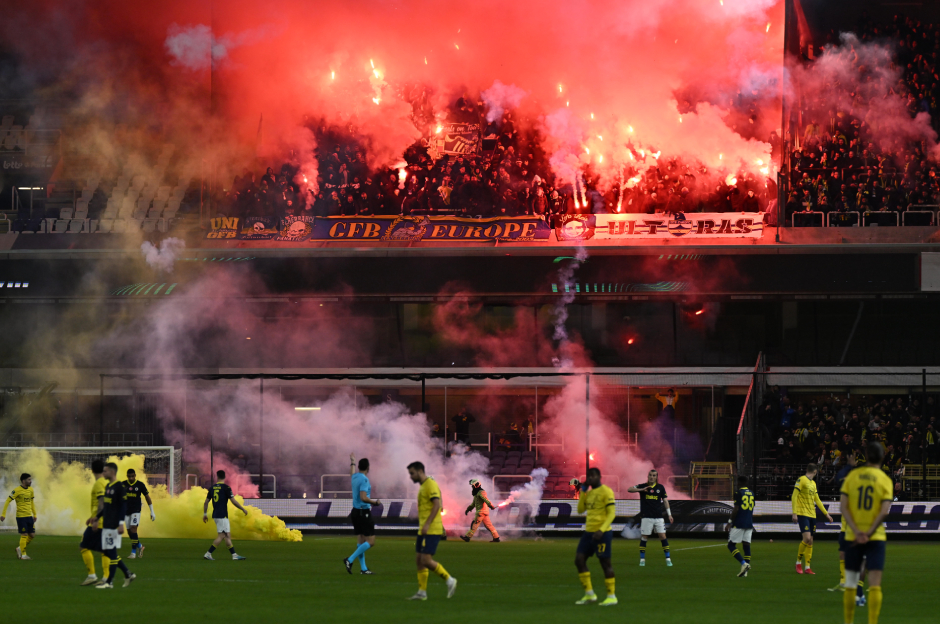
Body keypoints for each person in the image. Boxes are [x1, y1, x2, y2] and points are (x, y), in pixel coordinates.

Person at [841, 441, 893, 624]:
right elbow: (884, 510)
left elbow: (843, 507)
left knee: (850, 584)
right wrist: (869, 533)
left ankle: (849, 622)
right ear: (882, 457)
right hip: (875, 536)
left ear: (866, 455)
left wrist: (857, 531)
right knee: (875, 585)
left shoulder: (853, 476)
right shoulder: (885, 480)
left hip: (852, 536)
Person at [407, 461, 457, 600]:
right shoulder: (424, 486)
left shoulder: (430, 484)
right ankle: (422, 592)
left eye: (412, 473)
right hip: (423, 529)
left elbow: (437, 504)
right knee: (419, 560)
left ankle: (449, 580)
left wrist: (428, 524)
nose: (410, 477)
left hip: (431, 529)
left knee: (426, 560)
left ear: (420, 471)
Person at [86, 462, 135, 589]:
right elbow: (107, 506)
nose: (103, 473)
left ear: (112, 472)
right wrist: (97, 517)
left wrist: (120, 523)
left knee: (111, 553)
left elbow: (123, 507)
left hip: (113, 525)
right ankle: (128, 574)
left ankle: (109, 582)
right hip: (106, 524)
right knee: (109, 552)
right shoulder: (108, 486)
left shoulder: (119, 487)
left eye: (105, 471)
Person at [574, 467, 617, 606]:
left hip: (602, 533)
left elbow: (611, 514)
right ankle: (590, 595)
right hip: (588, 532)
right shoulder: (589, 493)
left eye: (593, 476)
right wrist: (582, 492)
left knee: (605, 564)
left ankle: (611, 596)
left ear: (599, 477)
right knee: (579, 560)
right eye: (588, 476)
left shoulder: (606, 491)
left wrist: (602, 530)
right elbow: (580, 510)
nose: (590, 478)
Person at [829, 453, 865, 604]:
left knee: (859, 558)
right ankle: (845, 582)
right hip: (846, 527)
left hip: (856, 528)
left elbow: (839, 478)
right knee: (843, 554)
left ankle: (858, 587)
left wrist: (850, 465)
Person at [791, 462, 833, 575]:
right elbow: (794, 496)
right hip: (802, 513)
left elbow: (817, 500)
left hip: (812, 515)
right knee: (806, 538)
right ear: (815, 471)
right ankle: (798, 563)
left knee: (810, 541)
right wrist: (794, 513)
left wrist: (826, 514)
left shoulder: (813, 483)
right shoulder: (801, 480)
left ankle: (807, 567)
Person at [344, 454, 381, 575]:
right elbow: (363, 497)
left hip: (355, 512)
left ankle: (363, 569)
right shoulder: (365, 480)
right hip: (363, 512)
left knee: (360, 540)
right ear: (368, 468)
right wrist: (374, 502)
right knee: (371, 541)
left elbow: (351, 473)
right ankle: (349, 559)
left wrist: (352, 462)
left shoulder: (355, 477)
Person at [628, 469, 674, 567]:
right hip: (646, 517)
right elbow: (629, 489)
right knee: (645, 537)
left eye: (654, 475)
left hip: (658, 517)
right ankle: (642, 560)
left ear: (656, 477)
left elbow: (665, 501)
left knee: (663, 536)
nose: (652, 477)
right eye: (650, 475)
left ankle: (668, 559)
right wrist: (641, 490)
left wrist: (669, 514)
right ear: (648, 476)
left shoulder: (660, 488)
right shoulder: (642, 486)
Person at [203, 470, 249, 561]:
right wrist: (243, 508)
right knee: (222, 535)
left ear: (217, 477)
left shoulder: (212, 488)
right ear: (225, 477)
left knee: (227, 535)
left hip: (216, 515)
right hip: (222, 515)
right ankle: (208, 553)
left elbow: (206, 502)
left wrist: (205, 514)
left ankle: (234, 555)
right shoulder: (226, 488)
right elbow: (233, 501)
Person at [79, 459, 107, 586]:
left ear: (92, 470)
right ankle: (106, 577)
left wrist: (96, 519)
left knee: (83, 546)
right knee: (105, 550)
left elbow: (102, 502)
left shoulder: (98, 484)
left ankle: (92, 575)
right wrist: (92, 516)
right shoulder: (106, 482)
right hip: (106, 520)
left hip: (100, 522)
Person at [2, 472, 36, 560]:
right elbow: (7, 501)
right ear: (23, 481)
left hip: (29, 516)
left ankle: (19, 548)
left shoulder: (31, 490)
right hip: (21, 516)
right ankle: (23, 555)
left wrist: (35, 514)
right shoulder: (16, 490)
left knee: (32, 535)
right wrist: (3, 514)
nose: (30, 481)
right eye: (29, 480)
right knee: (24, 534)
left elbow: (32, 502)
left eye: (30, 479)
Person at [122, 468, 154, 559]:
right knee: (129, 532)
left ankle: (133, 553)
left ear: (135, 475)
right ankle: (140, 546)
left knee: (133, 529)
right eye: (129, 476)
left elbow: (147, 497)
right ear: (127, 476)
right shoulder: (123, 484)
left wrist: (152, 511)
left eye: (132, 476)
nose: (131, 478)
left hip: (136, 511)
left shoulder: (140, 485)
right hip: (126, 511)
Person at [727, 476, 755, 578]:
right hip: (749, 523)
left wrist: (729, 522)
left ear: (739, 483)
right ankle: (745, 572)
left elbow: (736, 509)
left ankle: (744, 563)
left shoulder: (738, 493)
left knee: (731, 545)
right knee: (746, 545)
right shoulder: (752, 493)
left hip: (739, 523)